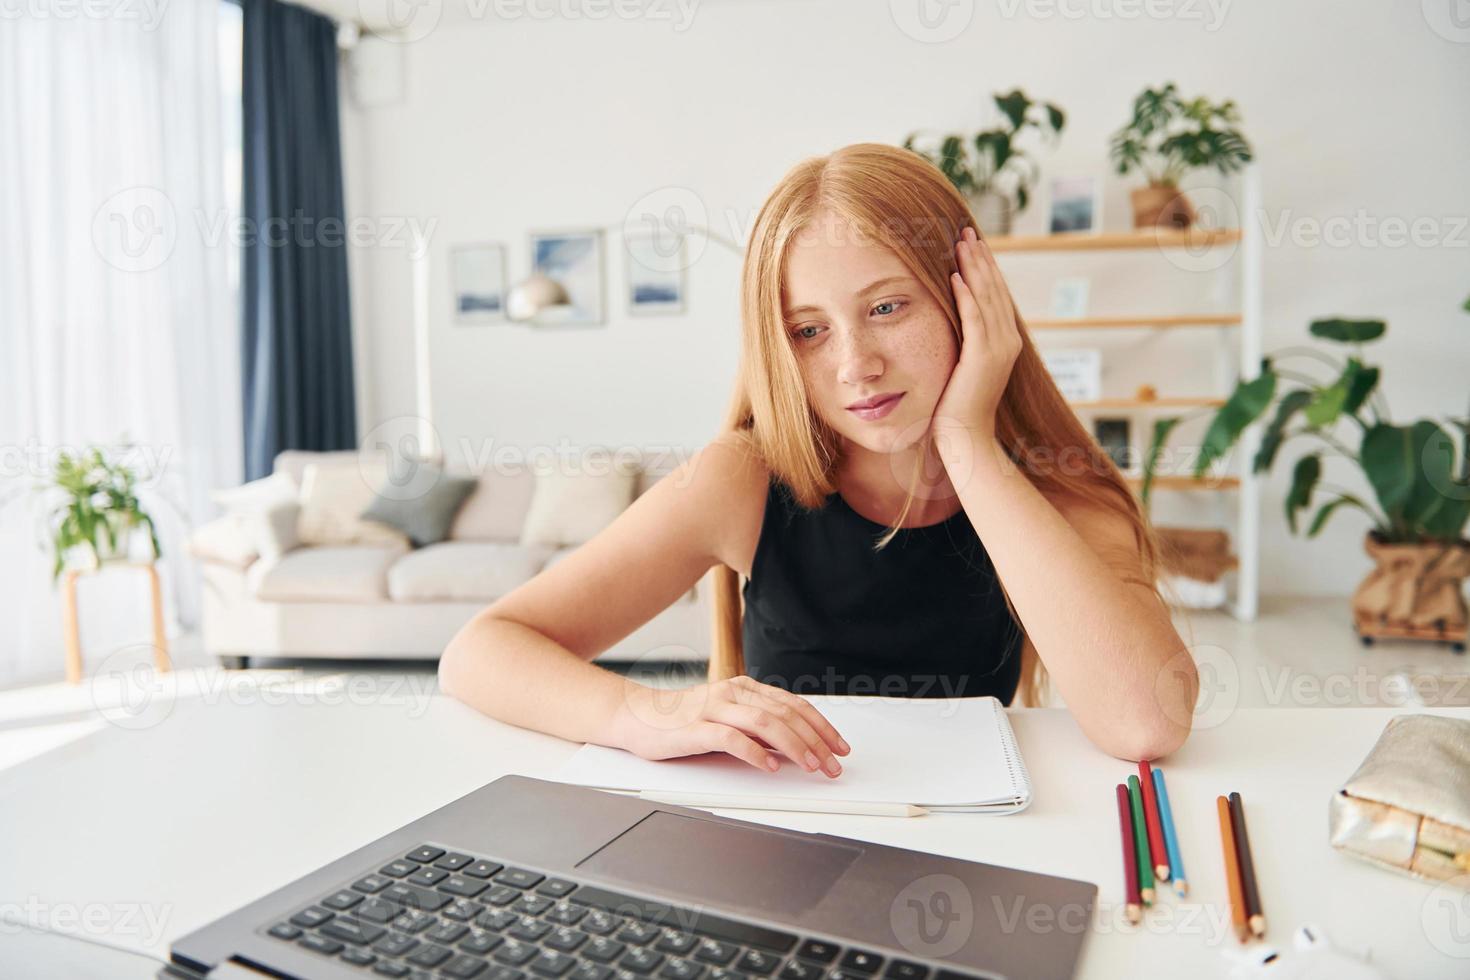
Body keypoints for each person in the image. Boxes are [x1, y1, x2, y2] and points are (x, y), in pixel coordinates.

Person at [439, 142, 1198, 774]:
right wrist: (642, 712)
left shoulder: (1053, 486)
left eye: (886, 308)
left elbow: (1146, 723)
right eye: (809, 330)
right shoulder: (742, 477)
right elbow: (480, 653)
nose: (854, 365)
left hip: (965, 852)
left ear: (971, 300)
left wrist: (967, 442)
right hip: (781, 847)